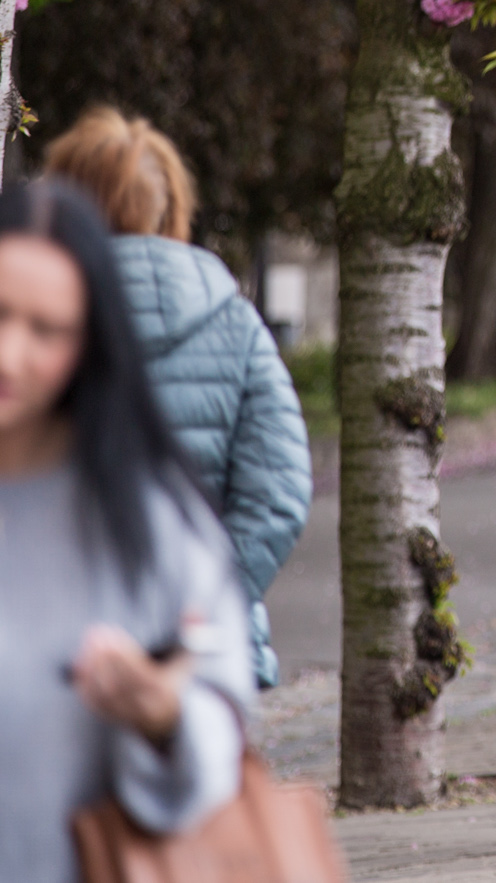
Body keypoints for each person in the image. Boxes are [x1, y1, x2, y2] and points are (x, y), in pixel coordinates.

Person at [0, 179, 256, 883]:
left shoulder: (153, 518)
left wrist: (163, 710)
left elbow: (221, 736)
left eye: (44, 330)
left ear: (89, 343)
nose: (8, 353)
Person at [43, 107, 311, 690]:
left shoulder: (35, 324)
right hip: (203, 662)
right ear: (169, 206)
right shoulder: (236, 323)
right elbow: (280, 492)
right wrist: (204, 611)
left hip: (58, 650)